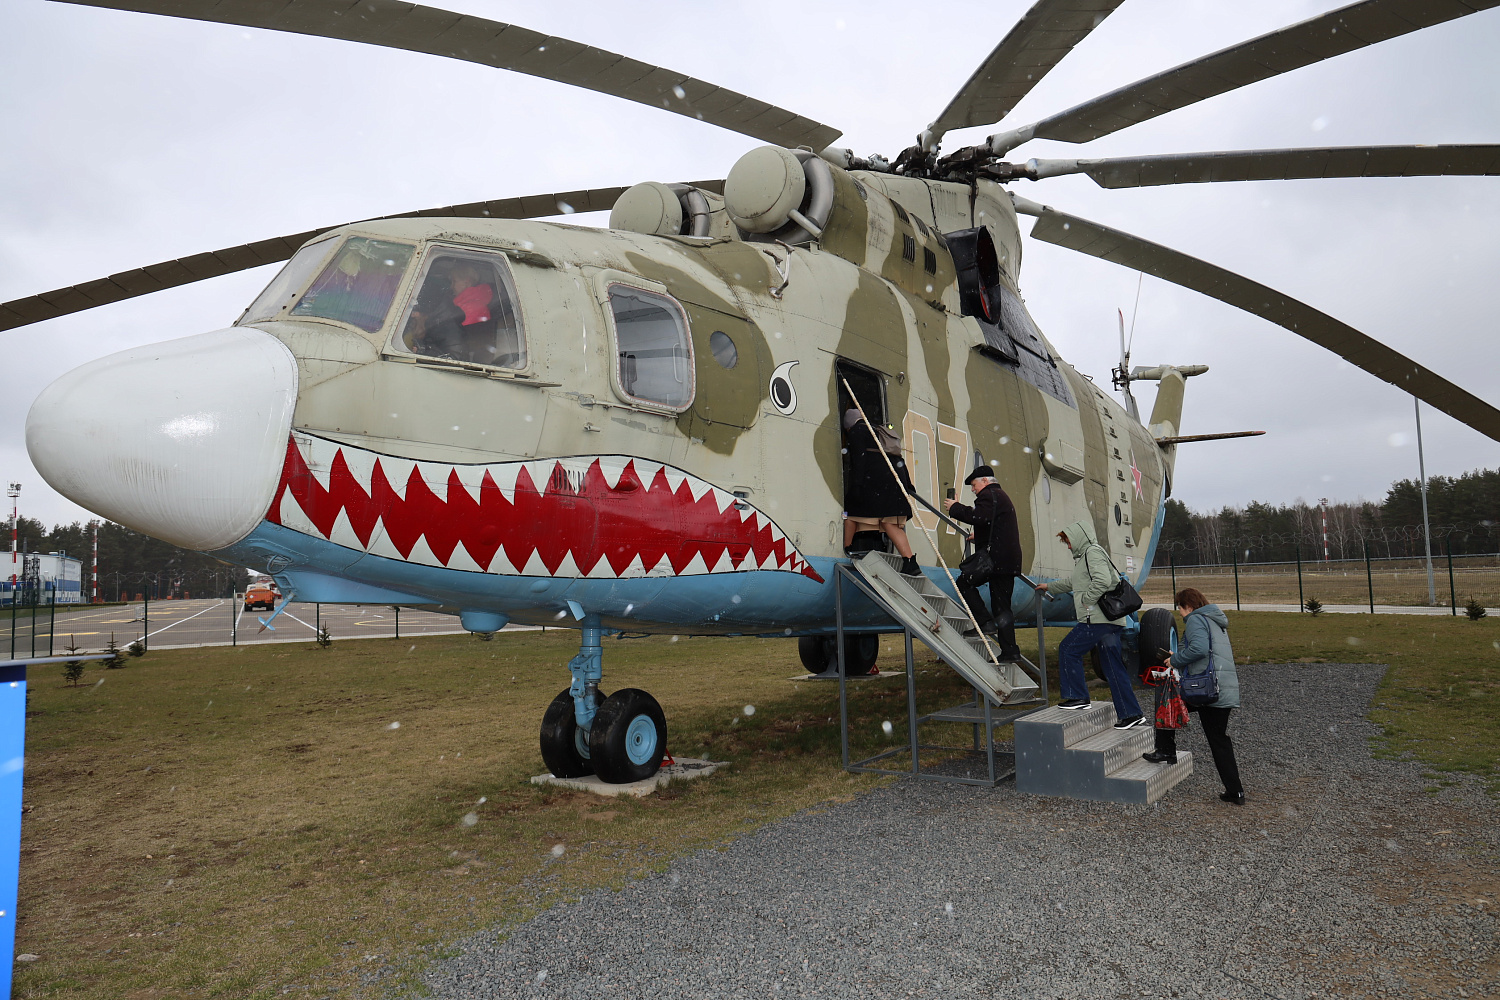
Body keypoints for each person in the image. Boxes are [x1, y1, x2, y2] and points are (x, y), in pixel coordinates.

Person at [1035, 521, 1146, 730]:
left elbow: (1103, 581)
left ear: (1076, 538)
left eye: (1067, 541)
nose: (1067, 546)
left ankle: (1077, 696)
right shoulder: (1086, 557)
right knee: (1113, 668)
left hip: (1098, 619)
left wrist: (1087, 599)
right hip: (1109, 621)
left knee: (1068, 649)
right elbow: (1073, 583)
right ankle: (1131, 714)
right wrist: (1049, 586)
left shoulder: (1092, 553)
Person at [1144, 588, 1245, 805]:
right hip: (1221, 687)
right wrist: (1179, 655)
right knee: (1219, 740)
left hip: (1205, 689)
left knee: (1166, 702)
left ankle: (1165, 750)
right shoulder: (1214, 620)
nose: (1180, 613)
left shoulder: (1196, 620)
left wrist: (1175, 660)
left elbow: (1199, 649)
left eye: (1179, 608)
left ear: (1187, 606)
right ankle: (1235, 791)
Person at [943, 466, 1023, 658]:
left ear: (985, 481)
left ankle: (985, 622)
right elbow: (992, 523)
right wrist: (977, 536)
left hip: (996, 561)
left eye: (974, 484)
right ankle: (1010, 650)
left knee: (964, 582)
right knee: (1002, 606)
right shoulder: (999, 496)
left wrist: (955, 507)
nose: (973, 489)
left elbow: (978, 516)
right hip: (1006, 560)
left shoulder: (988, 495)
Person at [842, 408, 921, 576]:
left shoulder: (857, 432)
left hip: (876, 482)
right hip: (894, 480)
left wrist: (856, 486)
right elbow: (899, 458)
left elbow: (859, 460)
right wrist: (908, 484)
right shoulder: (879, 430)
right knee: (890, 522)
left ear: (849, 425)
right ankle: (909, 561)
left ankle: (847, 550)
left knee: (850, 513)